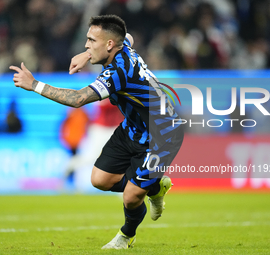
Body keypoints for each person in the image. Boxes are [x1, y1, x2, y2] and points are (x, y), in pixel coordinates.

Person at [9, 14, 184, 249]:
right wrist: (88, 54)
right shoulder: (123, 46)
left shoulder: (118, 73)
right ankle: (154, 185)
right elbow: (127, 36)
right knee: (100, 180)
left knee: (131, 196)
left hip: (162, 135)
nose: (86, 44)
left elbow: (78, 98)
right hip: (134, 127)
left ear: (109, 44)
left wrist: (35, 85)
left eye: (91, 40)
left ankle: (126, 235)